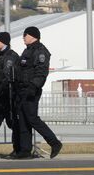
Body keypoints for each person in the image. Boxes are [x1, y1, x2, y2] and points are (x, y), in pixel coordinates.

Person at [14, 26, 63, 159]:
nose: (23, 37)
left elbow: (41, 72)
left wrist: (33, 87)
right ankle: (25, 150)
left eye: (25, 35)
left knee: (32, 118)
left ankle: (54, 143)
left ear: (32, 36)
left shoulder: (41, 52)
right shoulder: (27, 51)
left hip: (31, 89)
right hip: (22, 89)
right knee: (23, 120)